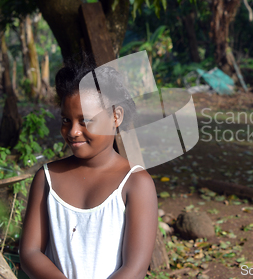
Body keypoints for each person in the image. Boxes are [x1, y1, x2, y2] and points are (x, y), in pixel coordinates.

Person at [20, 59, 158, 279]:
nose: (73, 131)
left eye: (85, 121)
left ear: (116, 116)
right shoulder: (47, 178)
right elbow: (29, 252)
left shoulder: (136, 183)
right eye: (66, 120)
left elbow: (135, 268)